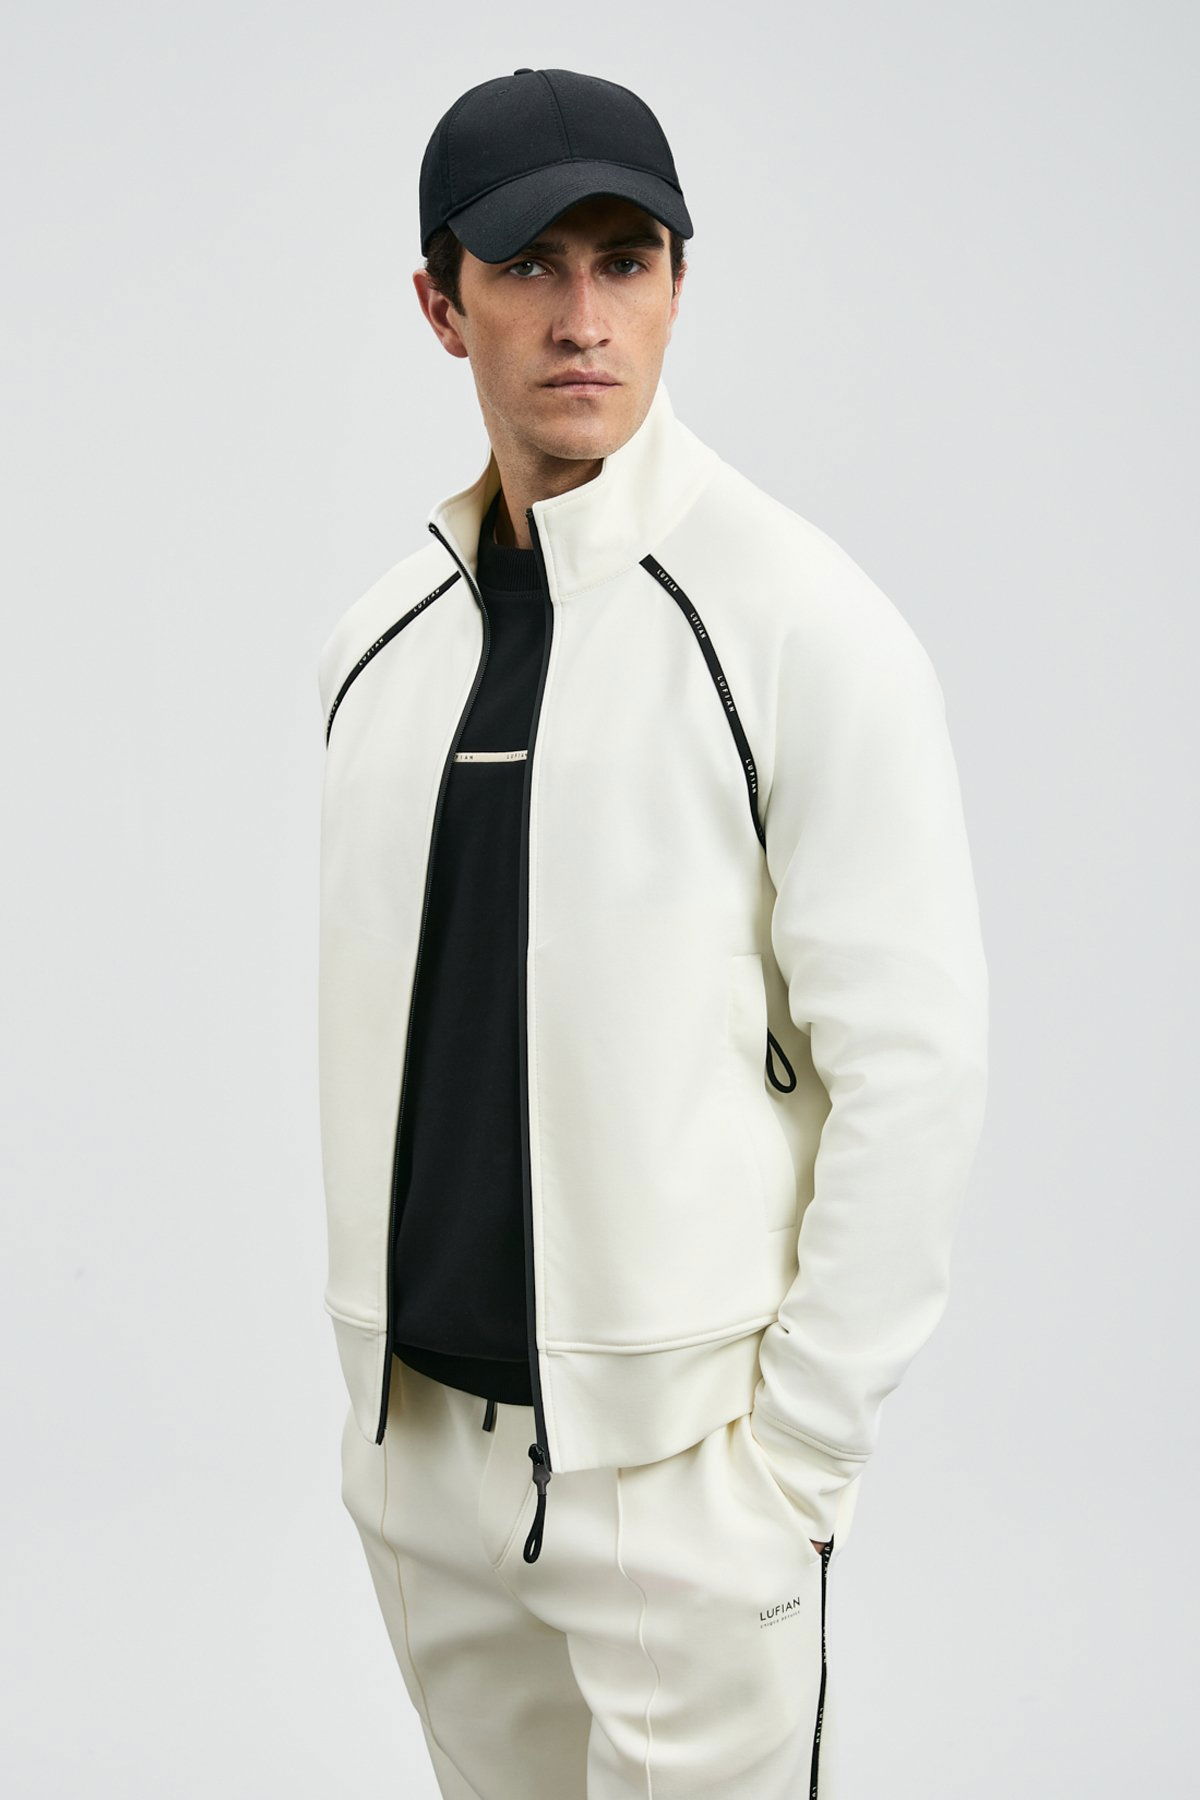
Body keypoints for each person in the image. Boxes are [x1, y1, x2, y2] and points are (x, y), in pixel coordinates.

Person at [315, 65, 989, 1800]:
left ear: (681, 284)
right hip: (425, 1463)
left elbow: (914, 1070)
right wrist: (375, 1431)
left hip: (685, 1481)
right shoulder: (378, 652)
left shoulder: (800, 626)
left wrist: (794, 1467)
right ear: (440, 302)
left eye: (626, 260)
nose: (583, 317)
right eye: (529, 266)